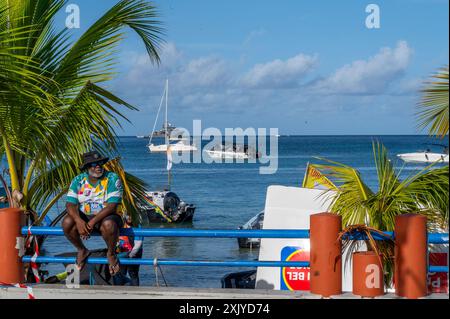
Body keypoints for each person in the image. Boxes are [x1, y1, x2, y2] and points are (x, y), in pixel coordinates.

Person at [62, 150, 124, 276]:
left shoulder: (112, 178)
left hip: (107, 216)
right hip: (85, 215)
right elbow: (70, 204)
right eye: (93, 164)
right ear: (86, 167)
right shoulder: (78, 180)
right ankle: (82, 250)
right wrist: (79, 221)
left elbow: (112, 206)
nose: (98, 166)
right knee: (67, 222)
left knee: (109, 225)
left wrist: (90, 223)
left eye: (100, 163)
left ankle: (111, 253)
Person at [118, 215, 144, 286]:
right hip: (122, 252)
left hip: (135, 252)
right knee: (121, 273)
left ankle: (135, 291)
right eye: (127, 216)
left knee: (133, 273)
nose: (129, 217)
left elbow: (139, 242)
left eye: (131, 216)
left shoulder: (137, 226)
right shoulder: (121, 225)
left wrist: (131, 254)